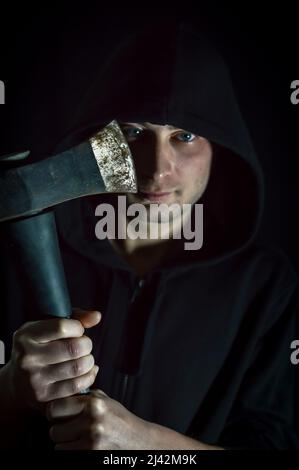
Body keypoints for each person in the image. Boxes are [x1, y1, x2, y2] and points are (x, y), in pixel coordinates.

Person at [0, 21, 298, 450]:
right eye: (135, 132)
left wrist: (147, 446)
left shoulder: (267, 287)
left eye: (185, 135)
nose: (156, 170)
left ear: (224, 148)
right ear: (97, 137)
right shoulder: (14, 258)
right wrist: (10, 391)